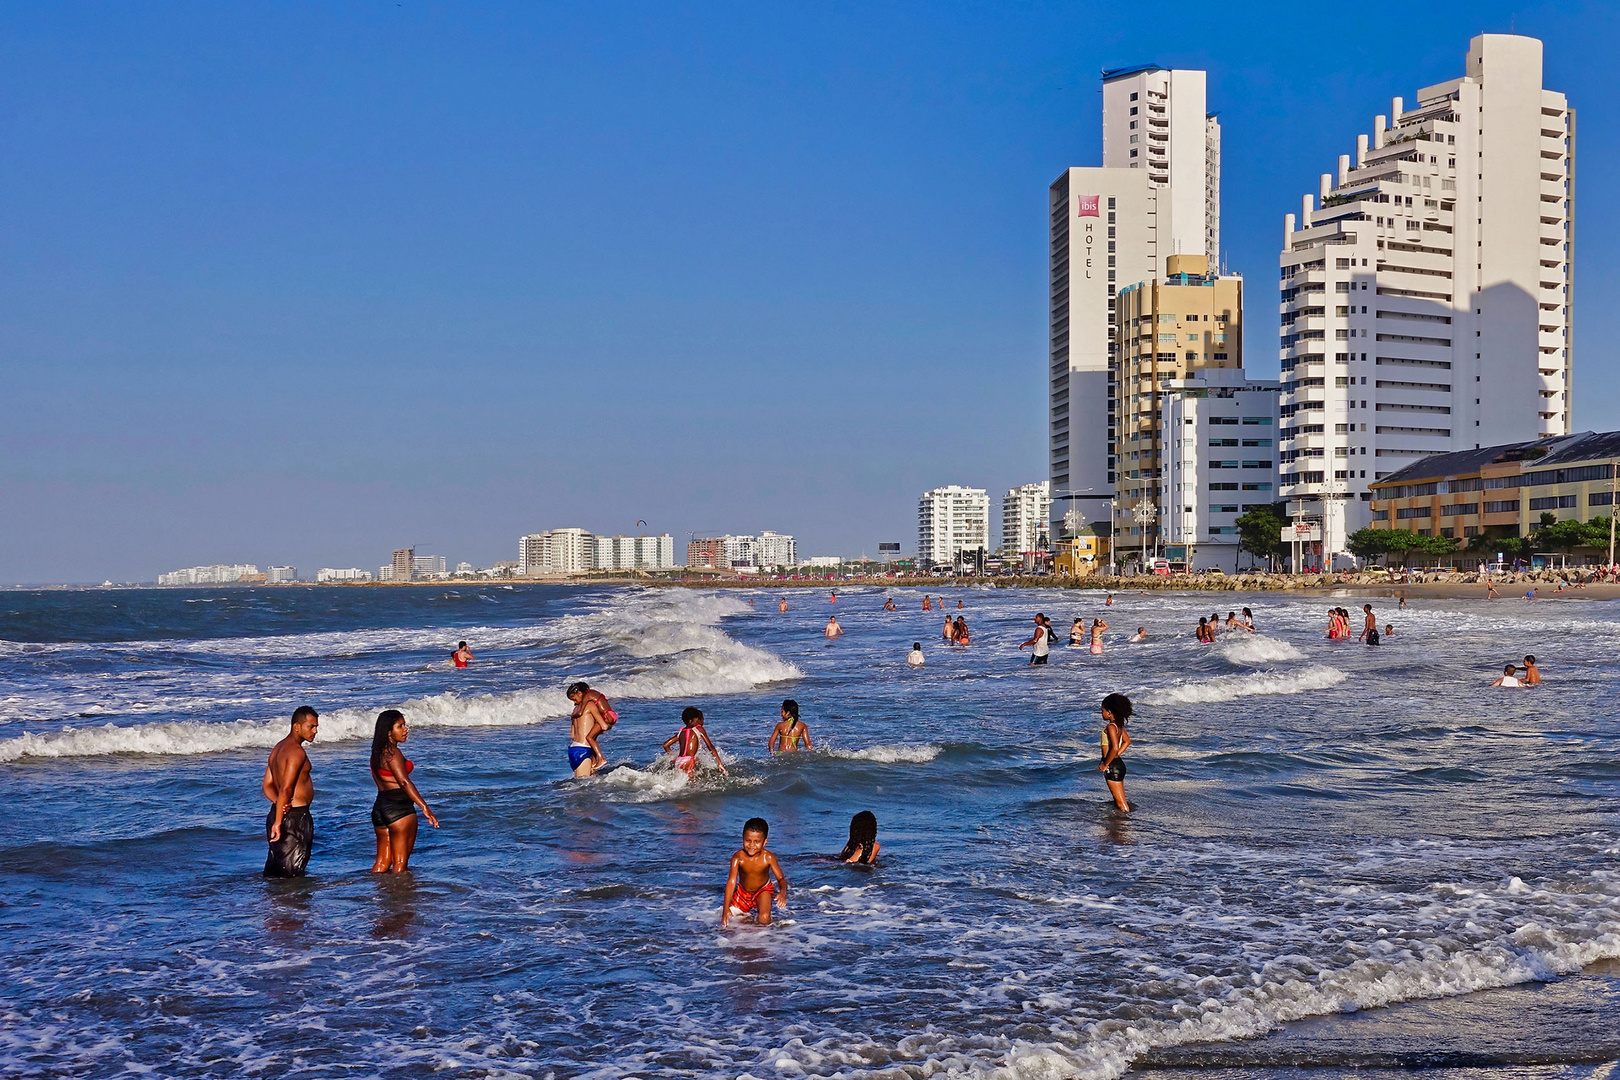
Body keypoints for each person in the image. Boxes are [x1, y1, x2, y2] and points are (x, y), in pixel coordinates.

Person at [369, 709, 440, 873]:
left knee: (381, 863)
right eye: (400, 726)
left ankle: (376, 896)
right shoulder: (393, 754)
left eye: (404, 725)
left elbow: (380, 780)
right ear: (389, 732)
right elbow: (404, 781)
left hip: (380, 807)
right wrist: (425, 807)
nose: (405, 729)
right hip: (399, 809)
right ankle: (400, 898)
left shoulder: (376, 754)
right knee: (400, 864)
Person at [262, 706, 319, 878]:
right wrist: (279, 821)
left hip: (279, 813)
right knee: (292, 874)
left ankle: (272, 904)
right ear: (297, 727)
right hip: (295, 819)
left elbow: (267, 785)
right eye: (311, 726)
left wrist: (279, 805)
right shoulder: (296, 752)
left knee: (276, 870)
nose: (315, 731)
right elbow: (286, 788)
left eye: (316, 727)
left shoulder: (277, 748)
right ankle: (293, 905)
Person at [721, 817, 788, 927]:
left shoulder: (768, 857)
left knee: (764, 917)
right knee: (731, 922)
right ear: (742, 838)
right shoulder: (738, 857)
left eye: (756, 841)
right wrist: (725, 910)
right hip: (743, 892)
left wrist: (782, 893)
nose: (751, 845)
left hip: (763, 890)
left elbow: (781, 878)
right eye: (748, 840)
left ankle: (764, 940)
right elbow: (731, 882)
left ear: (765, 842)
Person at [663, 706, 729, 778]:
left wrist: (672, 757)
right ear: (695, 719)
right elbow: (710, 747)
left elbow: (665, 745)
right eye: (701, 719)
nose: (702, 722)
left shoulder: (681, 732)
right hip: (689, 761)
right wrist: (719, 763)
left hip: (678, 761)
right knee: (691, 786)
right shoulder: (699, 729)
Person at [1098, 693, 1133, 813]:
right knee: (1120, 799)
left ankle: (1125, 827)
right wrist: (1117, 756)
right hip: (1117, 764)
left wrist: (1105, 764)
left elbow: (1114, 748)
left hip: (1112, 766)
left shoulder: (1111, 727)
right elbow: (1127, 742)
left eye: (1102, 710)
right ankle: (1120, 826)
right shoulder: (1119, 726)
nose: (1101, 713)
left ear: (1109, 712)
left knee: (1120, 803)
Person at [566, 682, 610, 777]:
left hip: (573, 749)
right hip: (583, 749)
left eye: (574, 700)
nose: (574, 702)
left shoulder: (574, 711)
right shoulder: (590, 706)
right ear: (580, 693)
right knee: (583, 787)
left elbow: (572, 736)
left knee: (590, 780)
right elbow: (604, 726)